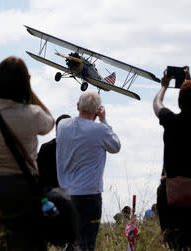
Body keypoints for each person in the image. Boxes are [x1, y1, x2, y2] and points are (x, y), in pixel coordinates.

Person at [0, 56, 54, 250]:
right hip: (21, 190)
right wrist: (29, 88)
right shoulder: (33, 114)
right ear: (25, 83)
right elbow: (49, 121)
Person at [153, 67, 191, 251]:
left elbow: (157, 103)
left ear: (179, 102)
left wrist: (164, 86)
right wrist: (189, 81)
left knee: (172, 241)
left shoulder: (169, 120)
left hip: (170, 188)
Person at [56, 91, 121, 251]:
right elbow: (116, 146)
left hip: (65, 193)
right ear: (98, 110)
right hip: (89, 195)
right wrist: (104, 120)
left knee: (70, 242)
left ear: (77, 106)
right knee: (86, 243)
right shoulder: (100, 130)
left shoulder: (63, 126)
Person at [37, 114, 71, 189]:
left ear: (57, 129)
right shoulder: (77, 149)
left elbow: (40, 175)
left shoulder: (46, 148)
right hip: (73, 194)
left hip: (51, 193)